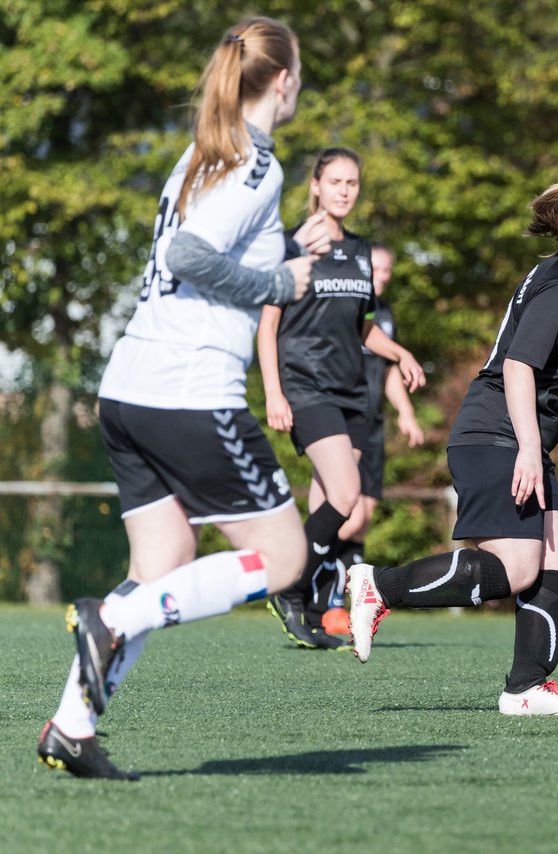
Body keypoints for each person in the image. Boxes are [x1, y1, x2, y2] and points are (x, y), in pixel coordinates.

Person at [38, 17, 320, 780]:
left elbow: (203, 246)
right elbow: (188, 254)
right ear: (284, 81)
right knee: (287, 559)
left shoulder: (202, 155)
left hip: (130, 386)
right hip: (191, 391)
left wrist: (292, 249)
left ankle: (71, 726)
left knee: (162, 559)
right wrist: (277, 283)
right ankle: (110, 618)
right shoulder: (259, 165)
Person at [345, 170, 558, 716]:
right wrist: (530, 450)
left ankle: (525, 689)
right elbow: (517, 366)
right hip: (496, 435)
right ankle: (378, 587)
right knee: (517, 568)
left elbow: (556, 360)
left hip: (513, 435)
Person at [258, 149, 425, 649]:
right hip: (307, 386)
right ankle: (287, 586)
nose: (345, 190)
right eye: (335, 181)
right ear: (315, 185)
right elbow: (267, 327)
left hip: (352, 390)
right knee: (347, 497)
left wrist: (399, 352)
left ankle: (310, 606)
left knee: (329, 500)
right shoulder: (292, 245)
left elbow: (360, 328)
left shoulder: (359, 250)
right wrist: (273, 392)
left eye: (352, 182)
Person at [315, 241, 425, 638]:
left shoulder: (385, 314)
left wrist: (406, 413)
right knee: (349, 515)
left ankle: (345, 606)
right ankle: (318, 593)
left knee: (362, 523)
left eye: (385, 272)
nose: (380, 278)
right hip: (344, 419)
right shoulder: (342, 306)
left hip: (374, 423)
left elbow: (386, 369)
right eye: (374, 270)